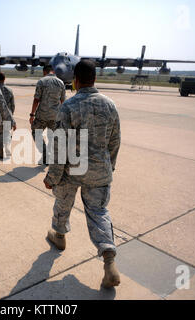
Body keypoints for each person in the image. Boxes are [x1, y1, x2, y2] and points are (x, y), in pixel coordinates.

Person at [43, 60, 121, 288]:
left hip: (72, 169)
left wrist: (52, 176)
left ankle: (59, 236)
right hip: (99, 169)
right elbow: (115, 141)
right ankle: (109, 260)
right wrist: (109, 166)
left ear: (75, 81)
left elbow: (58, 146)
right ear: (94, 78)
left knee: (63, 202)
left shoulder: (68, 107)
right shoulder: (110, 105)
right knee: (98, 212)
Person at [29, 65, 66, 165]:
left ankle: (45, 154)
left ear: (44, 71)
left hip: (42, 115)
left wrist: (32, 114)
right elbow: (63, 101)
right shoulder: (61, 82)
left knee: (36, 132)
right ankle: (51, 155)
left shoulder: (42, 81)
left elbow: (36, 99)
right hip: (55, 116)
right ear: (53, 71)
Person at [0, 72, 15, 157]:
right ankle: (7, 149)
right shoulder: (9, 90)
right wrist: (11, 114)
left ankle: (0, 151)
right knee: (7, 133)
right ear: (4, 79)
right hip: (7, 115)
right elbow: (13, 105)